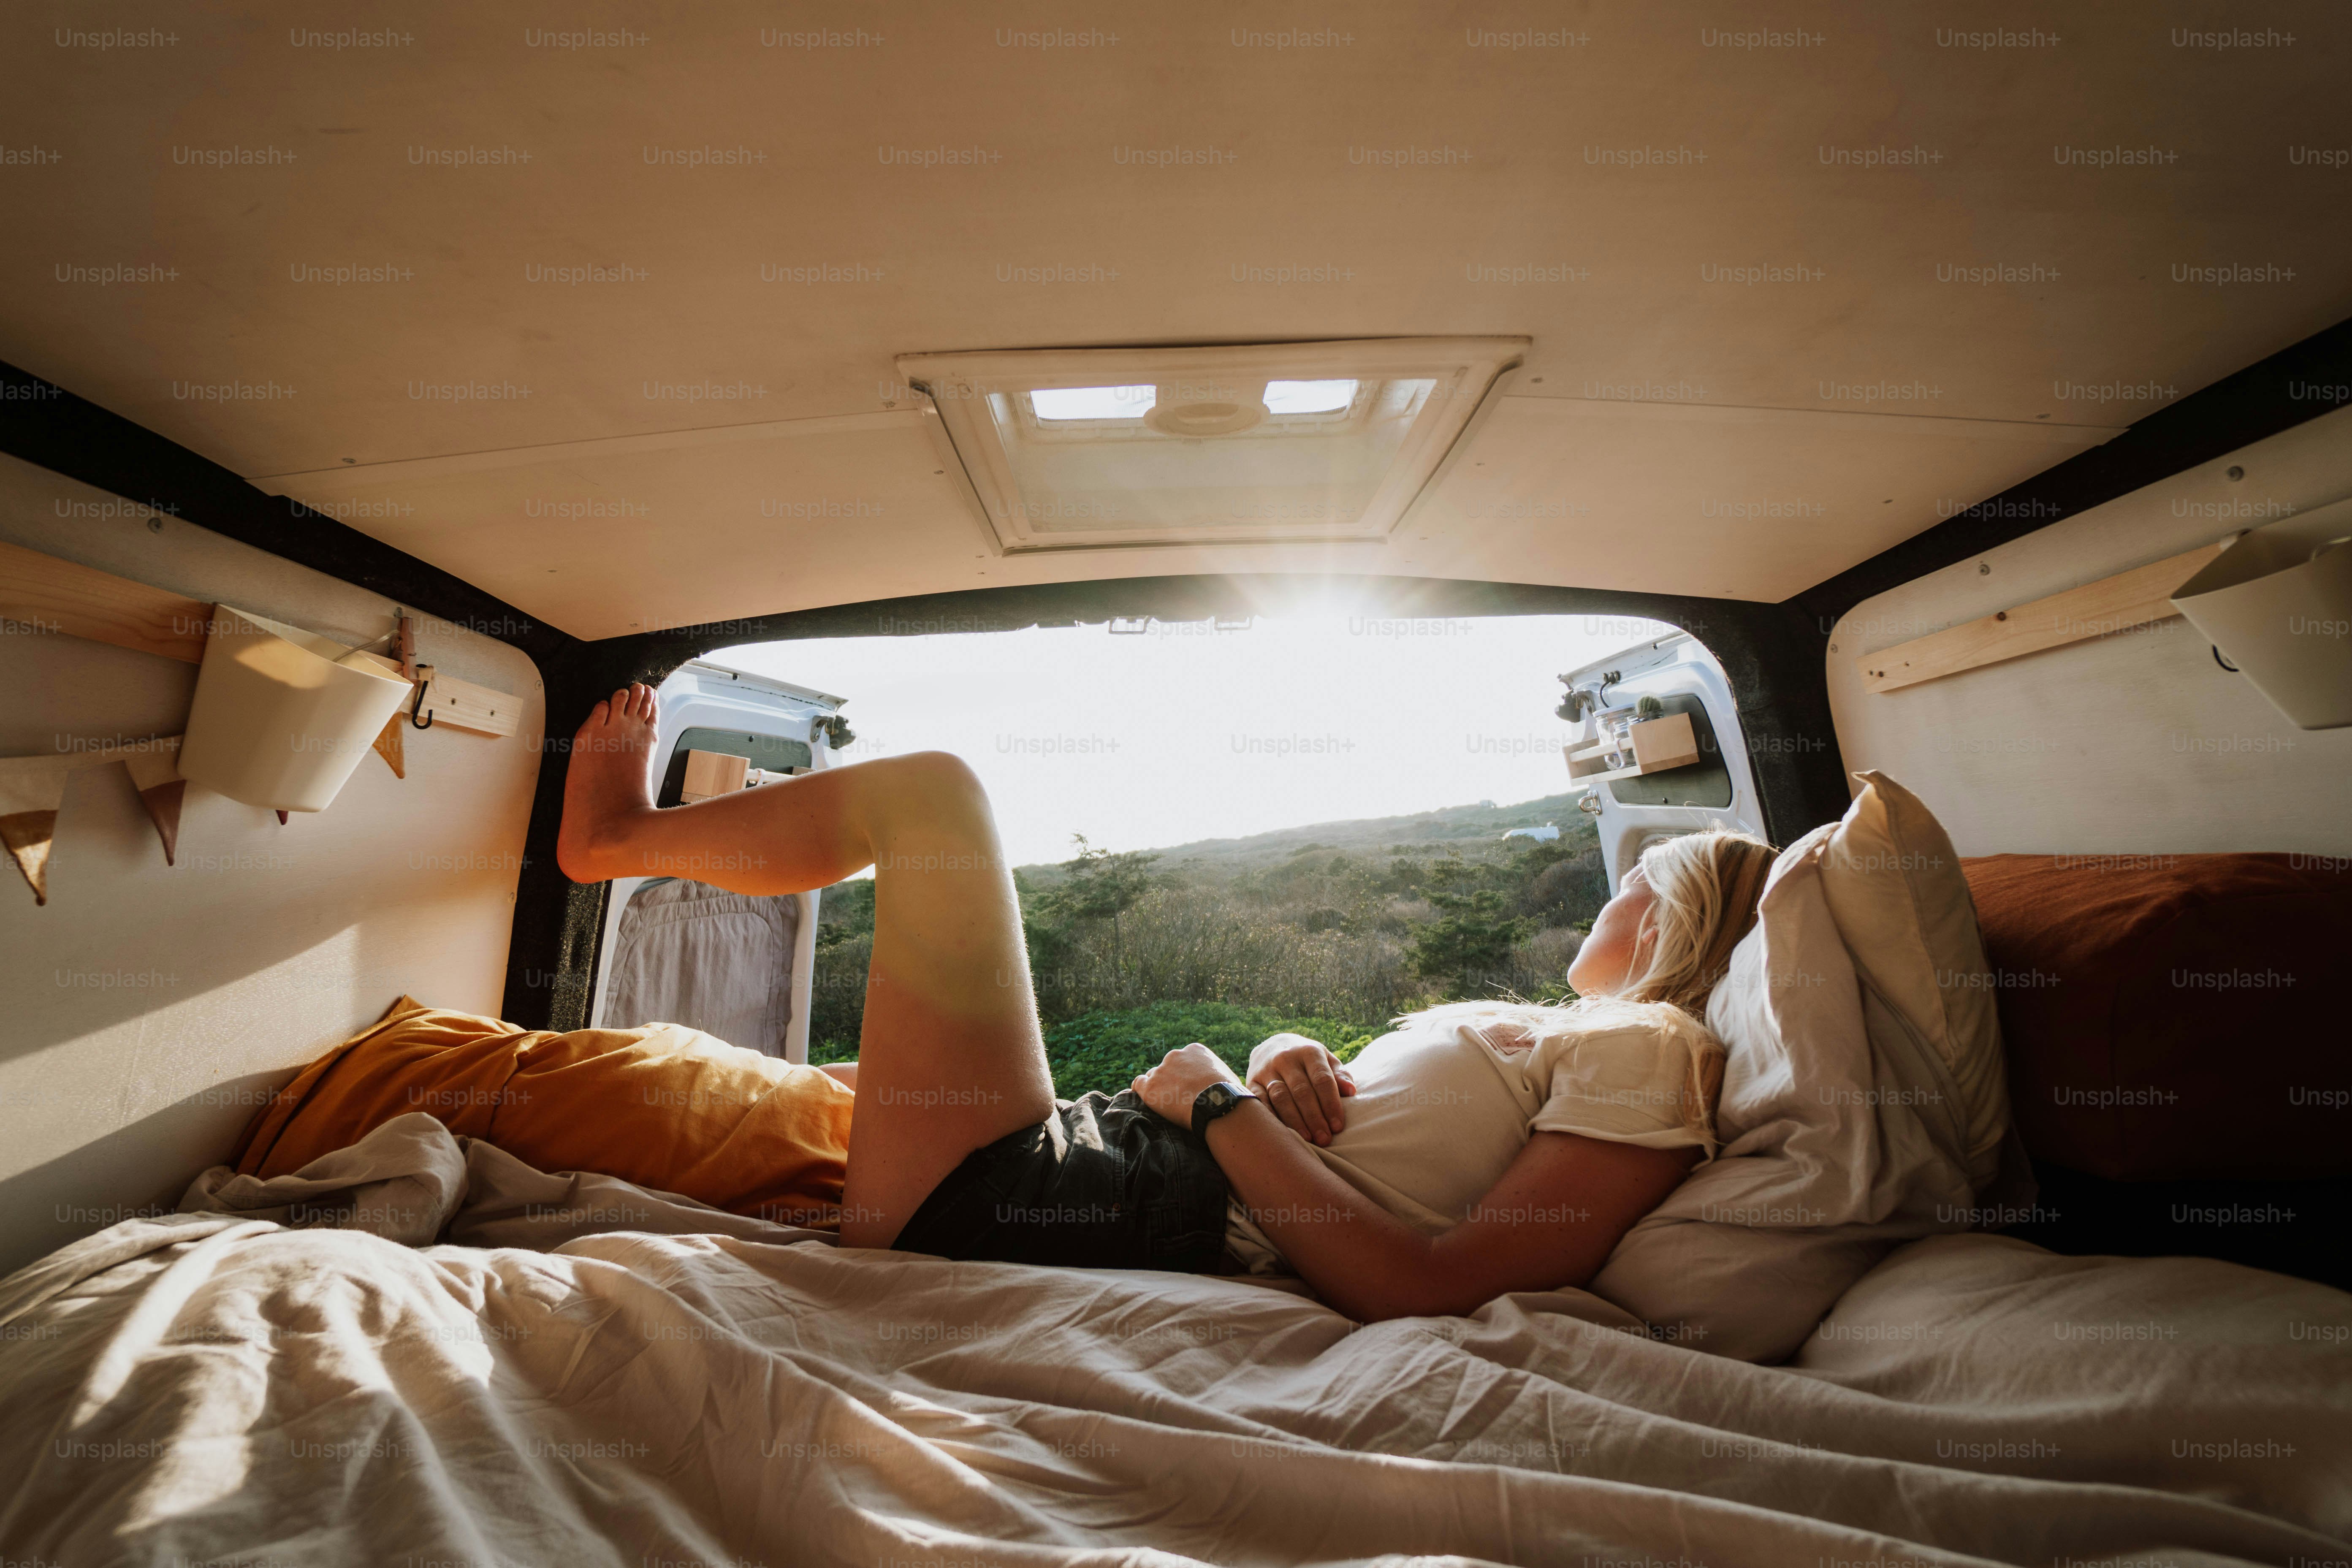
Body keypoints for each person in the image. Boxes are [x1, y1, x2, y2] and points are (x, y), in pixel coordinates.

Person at [558, 683, 1777, 1323]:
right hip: (1101, 1148)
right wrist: (1283, 1048)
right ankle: (620, 840)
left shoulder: (1647, 1042)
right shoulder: (1566, 1033)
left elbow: (1431, 1284)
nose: (1608, 895)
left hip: (1061, 1192)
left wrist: (1211, 1099)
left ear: (1668, 932)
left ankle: (618, 838)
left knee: (933, 802)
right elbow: (1388, 1133)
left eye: (1637, 884)